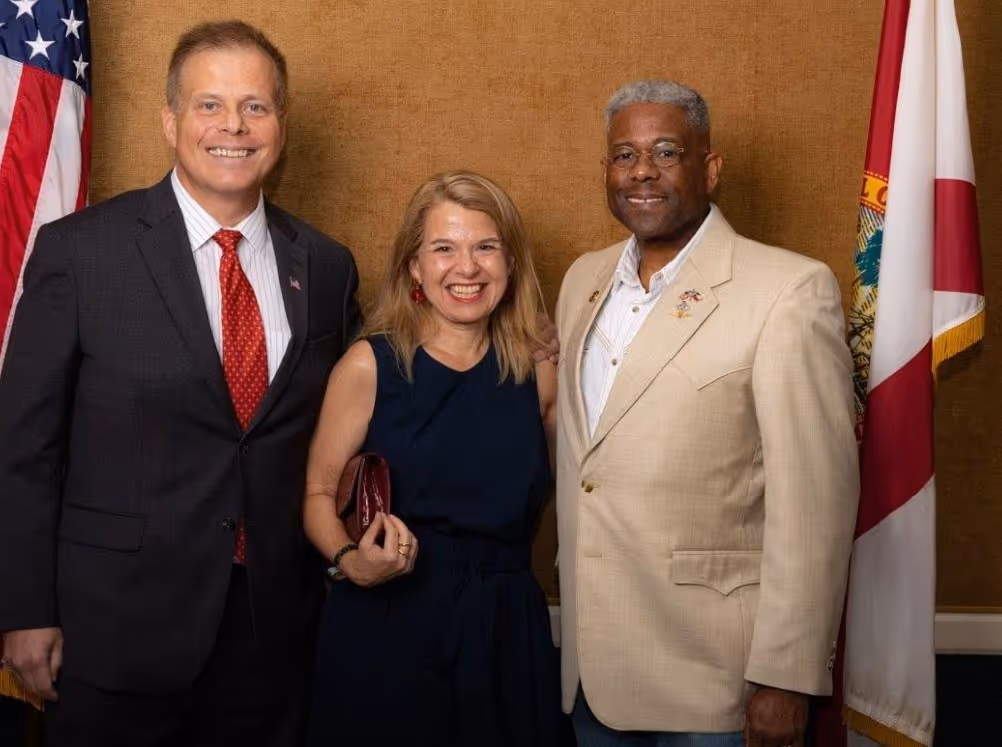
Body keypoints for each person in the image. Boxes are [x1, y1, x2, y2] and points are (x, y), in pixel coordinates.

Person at [0, 20, 360, 747]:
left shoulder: (325, 266)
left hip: (271, 637)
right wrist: (22, 609)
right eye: (209, 104)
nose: (234, 125)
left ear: (281, 126)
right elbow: (22, 450)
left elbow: (351, 416)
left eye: (256, 107)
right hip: (112, 637)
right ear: (170, 121)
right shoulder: (82, 251)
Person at [554, 79, 860, 747]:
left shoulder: (787, 290)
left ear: (710, 167)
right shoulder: (582, 281)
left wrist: (788, 677)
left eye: (666, 151)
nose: (641, 170)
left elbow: (816, 501)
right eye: (623, 154)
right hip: (593, 670)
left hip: (717, 684)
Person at [303, 170, 572, 747]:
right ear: (415, 269)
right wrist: (351, 561)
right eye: (443, 248)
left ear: (511, 264)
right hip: (388, 623)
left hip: (507, 628)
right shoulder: (369, 365)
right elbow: (317, 498)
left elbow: (577, 491)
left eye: (486, 247)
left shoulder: (541, 369)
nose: (467, 267)